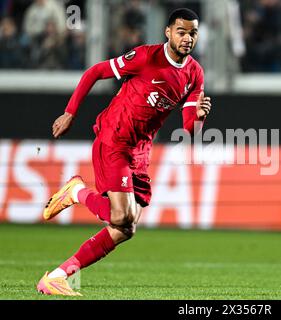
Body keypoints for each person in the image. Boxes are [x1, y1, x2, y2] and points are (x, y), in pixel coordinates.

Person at [36, 8, 212, 296]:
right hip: (114, 139)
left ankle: (55, 277)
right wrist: (70, 113)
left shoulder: (194, 73)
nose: (187, 38)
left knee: (125, 230)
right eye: (181, 31)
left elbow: (190, 129)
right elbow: (95, 72)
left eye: (193, 32)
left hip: (140, 152)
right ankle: (77, 191)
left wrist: (201, 117)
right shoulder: (146, 57)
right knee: (121, 218)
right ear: (168, 32)